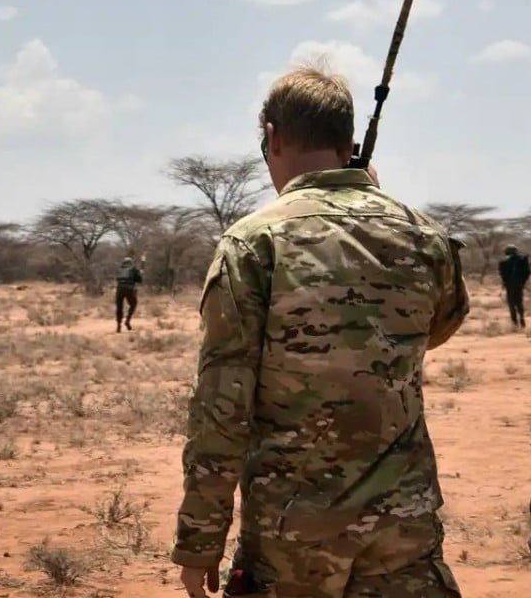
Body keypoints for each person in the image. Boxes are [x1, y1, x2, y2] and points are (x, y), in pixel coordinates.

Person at [172, 66, 469, 598]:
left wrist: (200, 541)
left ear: (272, 137)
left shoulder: (253, 243)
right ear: (348, 144)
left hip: (294, 533)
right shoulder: (422, 234)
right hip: (404, 523)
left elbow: (222, 408)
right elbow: (437, 327)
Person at [498, 244, 529, 328]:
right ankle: (522, 319)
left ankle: (514, 322)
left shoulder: (503, 262)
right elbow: (527, 272)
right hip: (519, 285)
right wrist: (522, 282)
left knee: (511, 303)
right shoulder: (522, 260)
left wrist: (505, 283)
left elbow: (502, 274)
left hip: (509, 285)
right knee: (519, 302)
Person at [114, 256, 143, 332]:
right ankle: (127, 320)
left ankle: (118, 326)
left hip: (119, 289)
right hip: (129, 289)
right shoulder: (134, 269)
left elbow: (117, 279)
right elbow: (139, 280)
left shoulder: (119, 269)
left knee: (119, 307)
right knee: (133, 304)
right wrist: (140, 273)